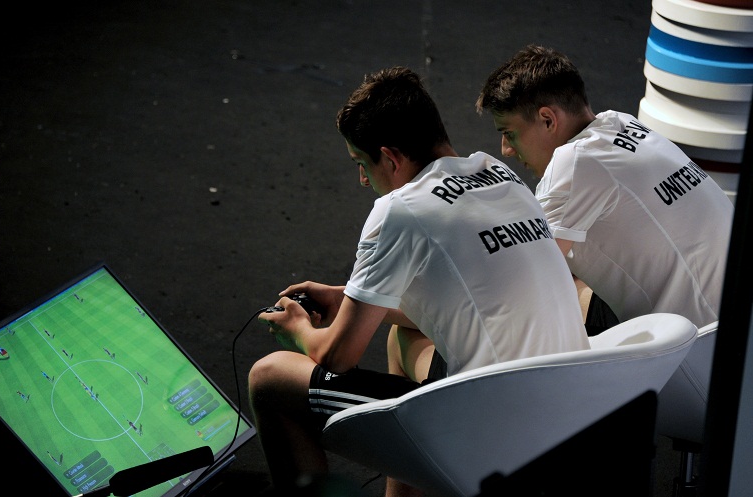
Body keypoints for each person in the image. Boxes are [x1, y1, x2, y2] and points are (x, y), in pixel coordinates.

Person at [248, 66, 590, 496]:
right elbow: (464, 299)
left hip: (494, 436)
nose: (361, 178)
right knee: (402, 338)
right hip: (572, 414)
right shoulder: (501, 177)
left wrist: (296, 327)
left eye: (361, 163)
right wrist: (345, 298)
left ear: (390, 158)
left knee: (269, 379)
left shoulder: (400, 209)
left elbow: (337, 356)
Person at [475, 44, 733, 331]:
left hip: (697, 348)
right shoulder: (623, 123)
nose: (506, 150)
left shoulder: (577, 161)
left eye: (509, 133)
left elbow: (521, 284)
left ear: (548, 120)